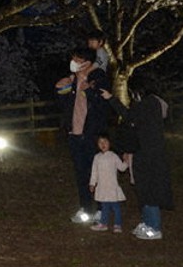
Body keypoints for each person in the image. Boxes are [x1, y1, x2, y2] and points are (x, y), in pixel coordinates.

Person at [101, 83, 173, 240]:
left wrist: (112, 100)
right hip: (141, 151)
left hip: (147, 154)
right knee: (141, 188)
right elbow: (134, 126)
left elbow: (129, 116)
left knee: (148, 189)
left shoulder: (150, 103)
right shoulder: (153, 104)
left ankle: (154, 227)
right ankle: (147, 223)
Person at [54, 48, 110, 224]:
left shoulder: (98, 76)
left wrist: (89, 90)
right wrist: (60, 90)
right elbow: (64, 105)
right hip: (75, 133)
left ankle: (101, 209)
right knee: (81, 173)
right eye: (73, 59)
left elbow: (103, 103)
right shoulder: (72, 80)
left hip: (91, 133)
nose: (74, 63)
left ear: (87, 62)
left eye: (77, 59)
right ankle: (85, 208)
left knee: (98, 173)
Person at [89, 133, 128, 233]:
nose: (103, 144)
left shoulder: (113, 156)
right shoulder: (97, 157)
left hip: (112, 187)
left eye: (105, 142)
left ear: (109, 143)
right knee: (104, 207)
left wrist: (126, 161)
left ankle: (117, 224)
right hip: (102, 187)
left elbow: (122, 168)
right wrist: (92, 183)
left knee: (116, 207)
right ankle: (103, 223)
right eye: (100, 142)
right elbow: (94, 172)